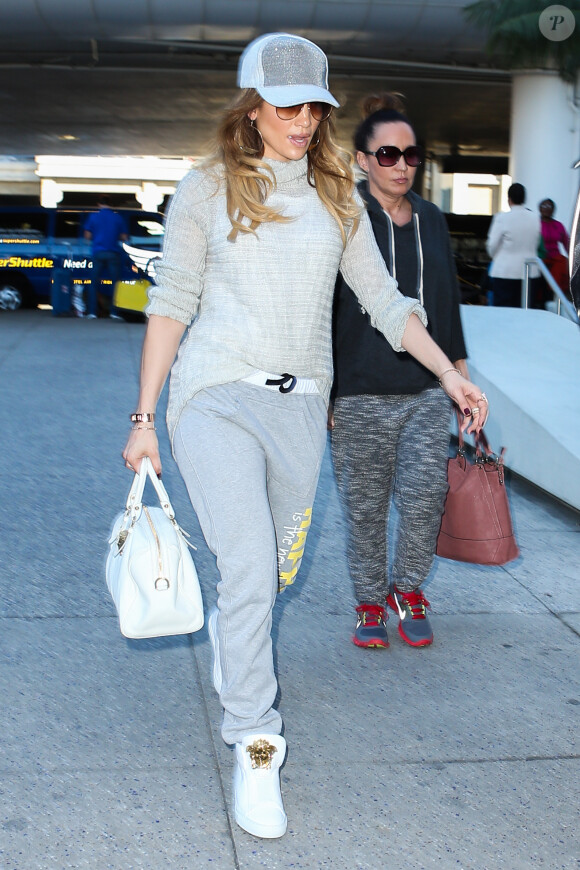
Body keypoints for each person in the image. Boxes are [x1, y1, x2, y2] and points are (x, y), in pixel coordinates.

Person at [122, 32, 488, 840]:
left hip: (299, 410)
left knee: (272, 570)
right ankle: (257, 741)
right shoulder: (207, 188)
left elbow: (388, 303)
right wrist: (145, 419)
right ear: (250, 107)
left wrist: (451, 375)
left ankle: (235, 630)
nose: (302, 119)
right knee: (250, 562)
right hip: (214, 398)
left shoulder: (336, 196)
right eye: (287, 105)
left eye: (313, 106)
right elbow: (173, 302)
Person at [330, 93, 469, 651]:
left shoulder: (431, 219)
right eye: (387, 154)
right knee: (364, 510)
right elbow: (323, 309)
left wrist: (458, 377)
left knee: (424, 497)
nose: (401, 165)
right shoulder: (341, 216)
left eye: (412, 155)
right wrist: (325, 395)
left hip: (424, 390)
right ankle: (368, 601)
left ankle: (407, 588)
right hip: (359, 391)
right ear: (362, 159)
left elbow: (446, 300)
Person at [486, 183, 541, 307]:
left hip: (505, 270)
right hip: (529, 272)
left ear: (509, 198)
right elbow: (536, 242)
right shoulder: (535, 218)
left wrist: (496, 256)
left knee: (503, 311)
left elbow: (492, 246)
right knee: (525, 310)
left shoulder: (502, 218)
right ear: (524, 199)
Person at [83, 194, 128, 318]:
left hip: (97, 252)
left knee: (93, 283)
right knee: (115, 284)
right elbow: (124, 237)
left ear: (99, 204)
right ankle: (114, 312)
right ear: (111, 204)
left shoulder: (93, 216)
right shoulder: (117, 217)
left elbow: (87, 236)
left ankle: (92, 312)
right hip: (113, 253)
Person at [539, 197, 570, 299]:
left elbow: (567, 244)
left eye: (549, 206)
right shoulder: (536, 224)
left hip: (555, 260)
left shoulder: (558, 225)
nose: (547, 208)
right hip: (540, 260)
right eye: (544, 206)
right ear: (540, 208)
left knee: (564, 265)